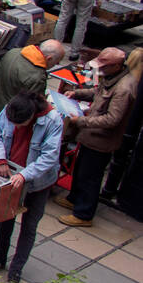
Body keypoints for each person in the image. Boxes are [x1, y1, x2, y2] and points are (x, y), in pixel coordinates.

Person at [0, 90, 64, 283]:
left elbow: (49, 157)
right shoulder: (12, 108)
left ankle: (16, 270)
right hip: (11, 176)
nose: (16, 127)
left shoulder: (53, 121)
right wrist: (0, 159)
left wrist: (25, 175)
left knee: (29, 226)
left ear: (32, 116)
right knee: (5, 216)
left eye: (20, 125)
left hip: (37, 183)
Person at [58, 47, 137, 227]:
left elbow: (112, 119)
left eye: (104, 67)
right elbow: (97, 92)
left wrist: (81, 121)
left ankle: (84, 214)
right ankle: (74, 198)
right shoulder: (111, 78)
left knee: (90, 176)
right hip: (91, 136)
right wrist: (76, 93)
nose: (99, 70)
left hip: (101, 140)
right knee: (81, 169)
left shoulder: (124, 88)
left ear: (117, 66)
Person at [101, 48, 143, 206]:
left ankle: (107, 191)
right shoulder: (132, 84)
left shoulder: (125, 84)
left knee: (114, 162)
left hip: (117, 131)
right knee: (119, 161)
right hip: (127, 132)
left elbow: (112, 117)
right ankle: (109, 190)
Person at [0, 39, 65, 121]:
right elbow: (35, 107)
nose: (55, 65)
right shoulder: (37, 77)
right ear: (49, 58)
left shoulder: (13, 52)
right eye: (56, 62)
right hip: (12, 118)